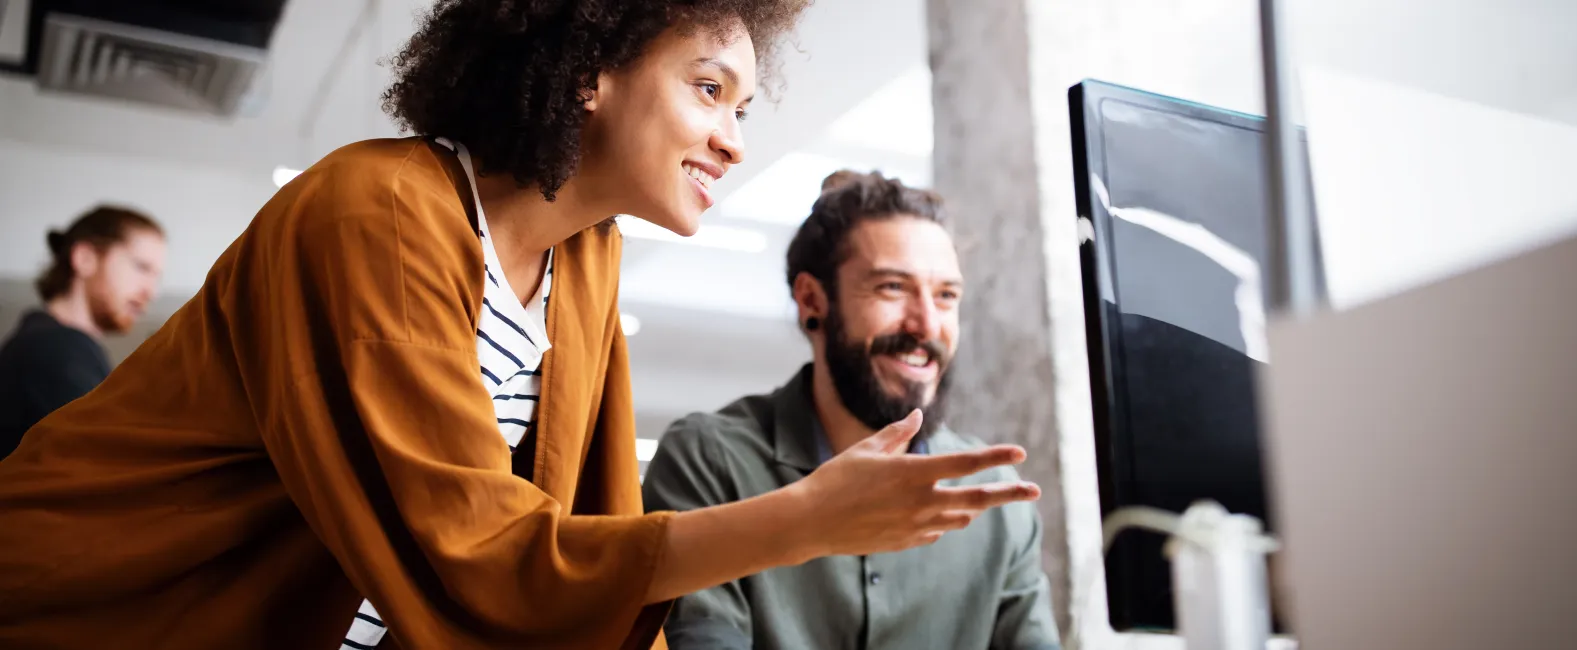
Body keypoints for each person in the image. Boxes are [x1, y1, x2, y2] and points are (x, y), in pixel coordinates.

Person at [0, 3, 1043, 649]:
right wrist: (804, 517)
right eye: (710, 88)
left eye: (744, 108)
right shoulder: (377, 212)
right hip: (87, 607)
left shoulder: (586, 260)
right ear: (592, 65)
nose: (731, 140)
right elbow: (480, 555)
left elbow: (577, 525)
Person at [643, 171, 1063, 650]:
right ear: (811, 300)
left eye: (946, 295)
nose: (927, 324)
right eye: (892, 288)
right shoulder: (709, 461)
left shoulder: (995, 501)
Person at [0, 206, 165, 459]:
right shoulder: (56, 347)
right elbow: (103, 466)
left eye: (156, 277)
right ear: (85, 258)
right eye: (141, 267)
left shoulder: (54, 344)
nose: (150, 292)